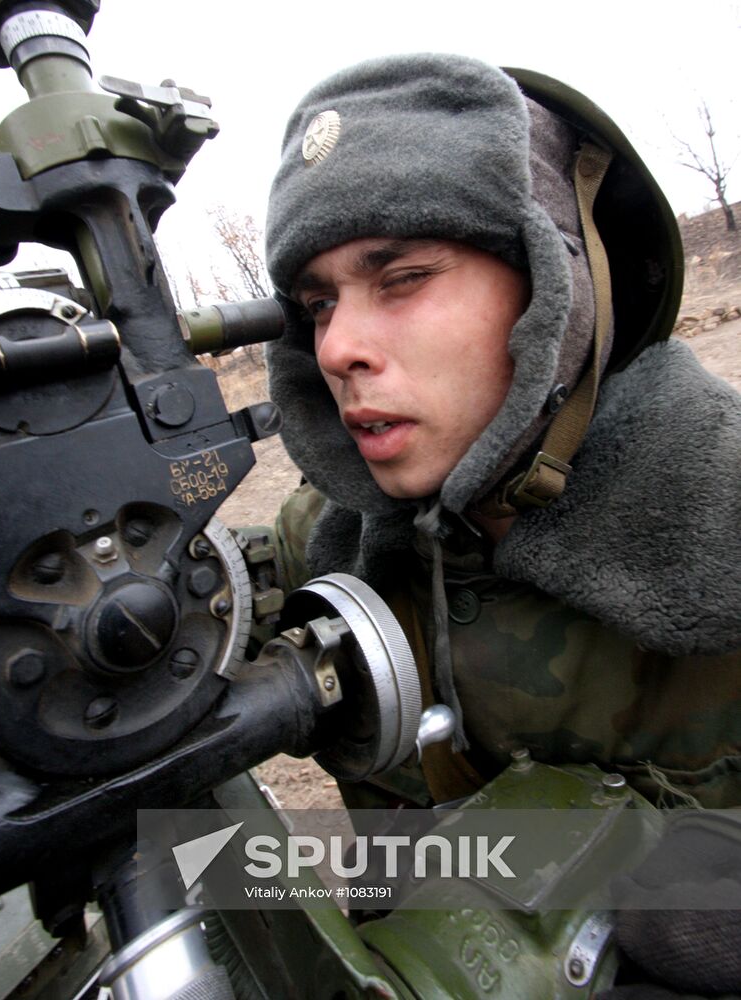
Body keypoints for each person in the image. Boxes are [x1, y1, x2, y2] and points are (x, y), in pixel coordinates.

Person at [261, 55, 741, 997]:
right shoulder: (321, 540)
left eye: (400, 279)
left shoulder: (720, 508)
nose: (339, 347)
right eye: (317, 304)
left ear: (554, 291)